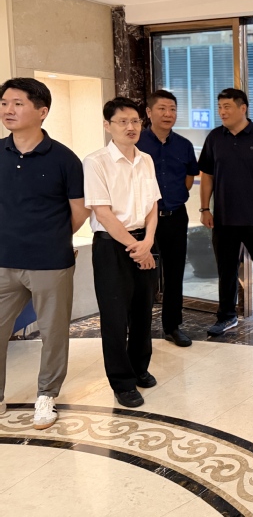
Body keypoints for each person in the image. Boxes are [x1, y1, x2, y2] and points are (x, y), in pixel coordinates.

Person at [0, 78, 90, 428]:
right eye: (4, 103)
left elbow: (79, 211)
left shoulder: (64, 159)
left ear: (42, 111)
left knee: (53, 335)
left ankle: (46, 395)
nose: (8, 110)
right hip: (4, 261)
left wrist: (52, 238)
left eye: (17, 103)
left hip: (50, 263)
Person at [84, 97, 161, 408]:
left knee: (143, 310)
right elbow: (102, 213)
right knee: (115, 316)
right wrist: (137, 247)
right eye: (123, 121)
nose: (131, 127)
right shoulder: (95, 161)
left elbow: (153, 205)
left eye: (135, 121)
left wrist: (148, 241)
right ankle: (122, 381)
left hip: (145, 241)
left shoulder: (146, 159)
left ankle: (139, 367)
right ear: (108, 125)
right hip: (112, 245)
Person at [198, 88, 253, 340]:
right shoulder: (215, 138)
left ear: (242, 108)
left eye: (227, 107)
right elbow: (206, 176)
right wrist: (204, 208)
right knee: (226, 271)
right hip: (224, 218)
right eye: (219, 107)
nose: (222, 112)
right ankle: (226, 316)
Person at [137, 90, 200, 347]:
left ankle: (172, 326)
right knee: (143, 274)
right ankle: (138, 327)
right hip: (143, 219)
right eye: (162, 108)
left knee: (174, 273)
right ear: (149, 112)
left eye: (172, 109)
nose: (168, 114)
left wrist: (175, 196)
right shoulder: (136, 142)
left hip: (175, 215)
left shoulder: (183, 145)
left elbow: (189, 177)